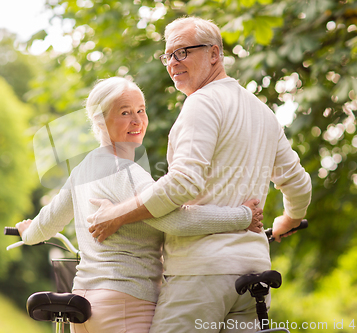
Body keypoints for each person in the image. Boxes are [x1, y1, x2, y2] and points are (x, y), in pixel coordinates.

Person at [87, 18, 312, 333]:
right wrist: (290, 218)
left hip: (202, 274)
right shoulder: (263, 113)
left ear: (214, 54)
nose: (173, 63)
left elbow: (182, 183)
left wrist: (117, 214)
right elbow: (299, 184)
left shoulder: (201, 103)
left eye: (182, 52)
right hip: (254, 275)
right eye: (168, 56)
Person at [16, 77, 265, 333]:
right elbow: (176, 221)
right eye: (125, 113)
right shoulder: (126, 171)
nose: (137, 120)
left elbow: (45, 224)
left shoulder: (83, 169)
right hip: (127, 303)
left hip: (85, 302)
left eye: (141, 110)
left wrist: (27, 232)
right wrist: (243, 216)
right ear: (100, 120)